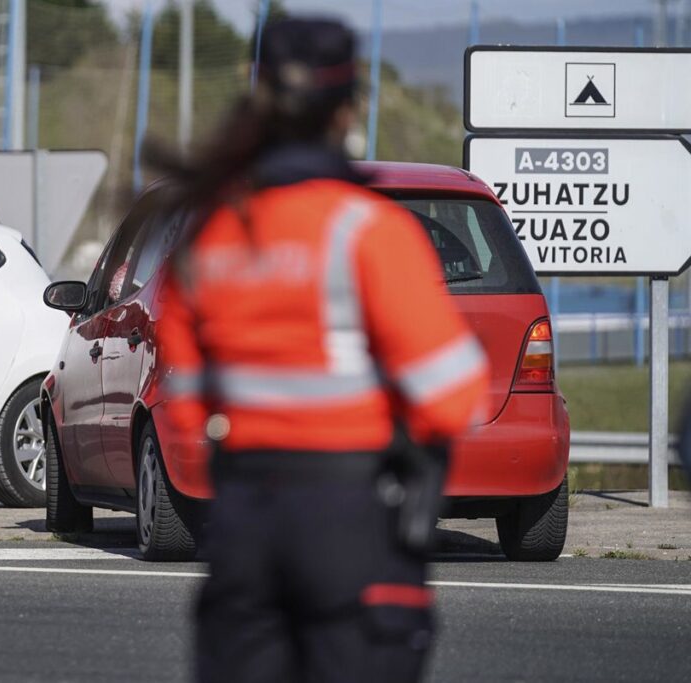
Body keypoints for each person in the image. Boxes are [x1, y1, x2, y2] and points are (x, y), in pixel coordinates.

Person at [151, 18, 490, 683]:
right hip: (349, 517)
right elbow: (452, 397)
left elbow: (186, 407)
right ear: (346, 109)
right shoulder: (368, 230)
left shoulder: (209, 232)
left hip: (244, 518)